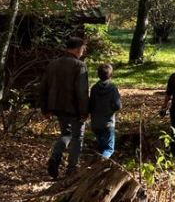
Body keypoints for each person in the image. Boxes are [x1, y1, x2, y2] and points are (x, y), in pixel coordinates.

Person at [38, 37, 89, 179]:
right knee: (78, 136)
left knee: (66, 134)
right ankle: (72, 169)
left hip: (57, 107)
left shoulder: (53, 64)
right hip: (74, 107)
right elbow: (82, 92)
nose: (83, 52)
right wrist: (84, 111)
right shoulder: (79, 66)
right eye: (83, 49)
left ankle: (55, 157)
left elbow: (43, 88)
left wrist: (45, 109)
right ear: (78, 48)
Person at [88, 63, 121, 158]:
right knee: (109, 149)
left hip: (95, 123)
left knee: (102, 147)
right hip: (108, 123)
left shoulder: (94, 88)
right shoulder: (112, 88)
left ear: (98, 75)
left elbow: (90, 105)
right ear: (111, 75)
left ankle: (99, 162)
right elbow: (117, 105)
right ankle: (100, 163)